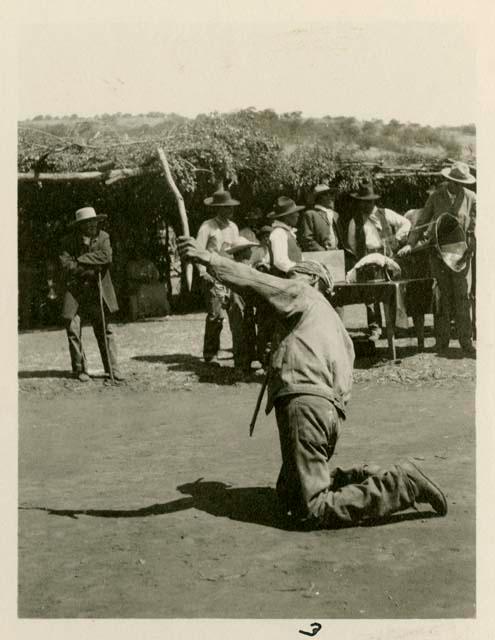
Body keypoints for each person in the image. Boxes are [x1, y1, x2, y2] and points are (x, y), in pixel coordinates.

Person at [178, 235, 447, 529]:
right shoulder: (334, 325)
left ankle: (400, 485)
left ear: (313, 280)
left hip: (304, 406)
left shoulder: (302, 294)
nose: (286, 280)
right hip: (327, 414)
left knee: (312, 509)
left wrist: (210, 259)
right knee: (289, 494)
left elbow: (254, 282)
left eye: (295, 275)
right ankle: (364, 476)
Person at [398, 162, 476, 356]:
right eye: (455, 182)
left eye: (461, 183)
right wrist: (411, 243)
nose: (458, 186)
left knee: (462, 298)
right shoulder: (435, 197)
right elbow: (422, 222)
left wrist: (472, 246)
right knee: (442, 298)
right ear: (448, 180)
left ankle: (466, 342)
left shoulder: (472, 198)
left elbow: (476, 225)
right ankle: (441, 342)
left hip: (462, 256)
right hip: (438, 255)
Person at [59, 207, 124, 382]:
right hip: (76, 291)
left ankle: (112, 368)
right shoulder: (68, 242)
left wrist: (79, 259)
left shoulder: (104, 237)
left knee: (105, 329)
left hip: (98, 290)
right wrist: (89, 266)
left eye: (94, 222)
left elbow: (106, 258)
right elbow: (66, 265)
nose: (91, 226)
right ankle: (80, 369)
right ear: (80, 226)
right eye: (87, 224)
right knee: (73, 328)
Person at [347, 182, 411, 340]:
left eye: (370, 201)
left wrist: (396, 239)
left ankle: (395, 326)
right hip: (367, 258)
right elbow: (351, 243)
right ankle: (375, 328)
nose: (367, 204)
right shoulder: (354, 221)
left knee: (391, 290)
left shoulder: (385, 213)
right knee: (370, 294)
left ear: (374, 201)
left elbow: (406, 223)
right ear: (359, 202)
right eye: (363, 201)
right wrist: (362, 256)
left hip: (387, 256)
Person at [196, 189, 240, 365]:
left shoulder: (233, 227)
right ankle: (211, 353)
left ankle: (239, 350)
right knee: (215, 315)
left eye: (231, 207)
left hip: (231, 273)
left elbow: (236, 250)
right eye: (226, 208)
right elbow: (198, 251)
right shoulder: (207, 227)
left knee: (236, 312)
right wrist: (203, 272)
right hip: (212, 274)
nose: (230, 211)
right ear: (218, 208)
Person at [225, 238, 261, 376]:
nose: (251, 251)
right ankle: (240, 364)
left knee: (249, 330)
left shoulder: (248, 266)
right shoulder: (235, 267)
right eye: (248, 249)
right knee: (240, 332)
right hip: (237, 302)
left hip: (247, 303)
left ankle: (247, 362)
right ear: (242, 252)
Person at [298, 184, 345, 251]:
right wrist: (323, 251)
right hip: (320, 256)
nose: (332, 197)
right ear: (320, 197)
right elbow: (307, 239)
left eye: (332, 194)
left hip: (337, 254)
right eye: (329, 194)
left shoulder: (335, 215)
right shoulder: (311, 214)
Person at [267, 196, 304, 276]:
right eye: (295, 212)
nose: (298, 215)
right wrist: (299, 271)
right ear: (287, 217)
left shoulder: (287, 232)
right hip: (284, 279)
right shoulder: (279, 233)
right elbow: (280, 261)